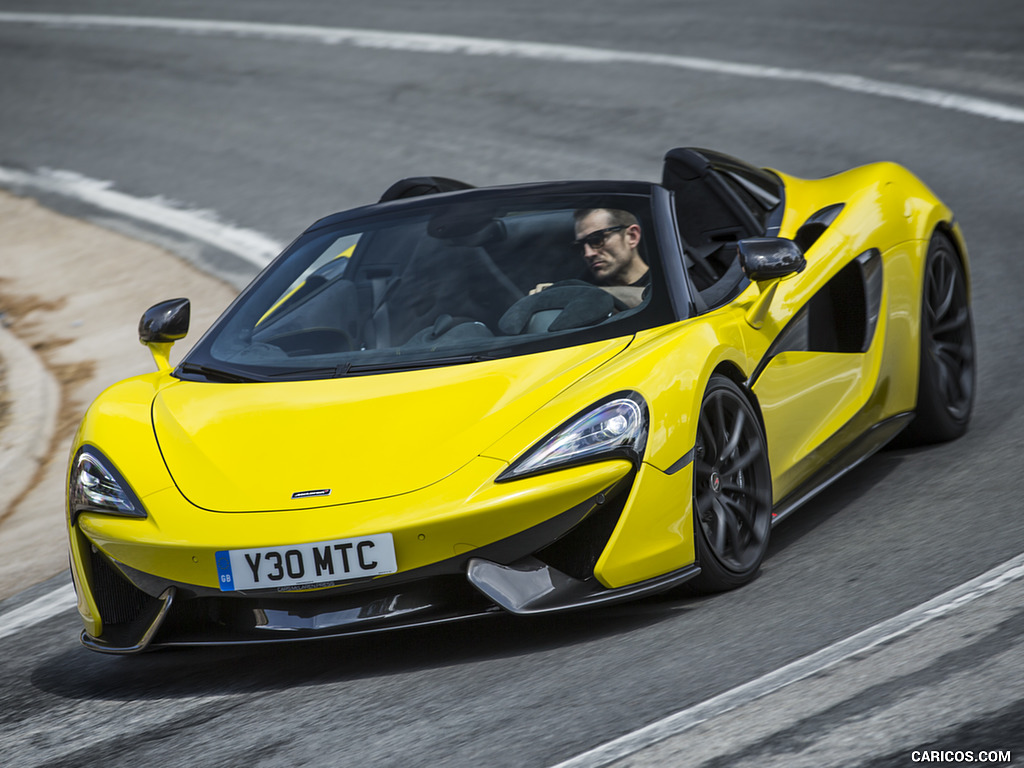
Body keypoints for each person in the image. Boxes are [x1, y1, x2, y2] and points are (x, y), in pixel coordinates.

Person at [531, 208, 649, 299]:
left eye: (597, 240)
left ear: (632, 236)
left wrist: (575, 293)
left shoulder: (665, 279)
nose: (588, 254)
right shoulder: (582, 285)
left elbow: (649, 299)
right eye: (581, 246)